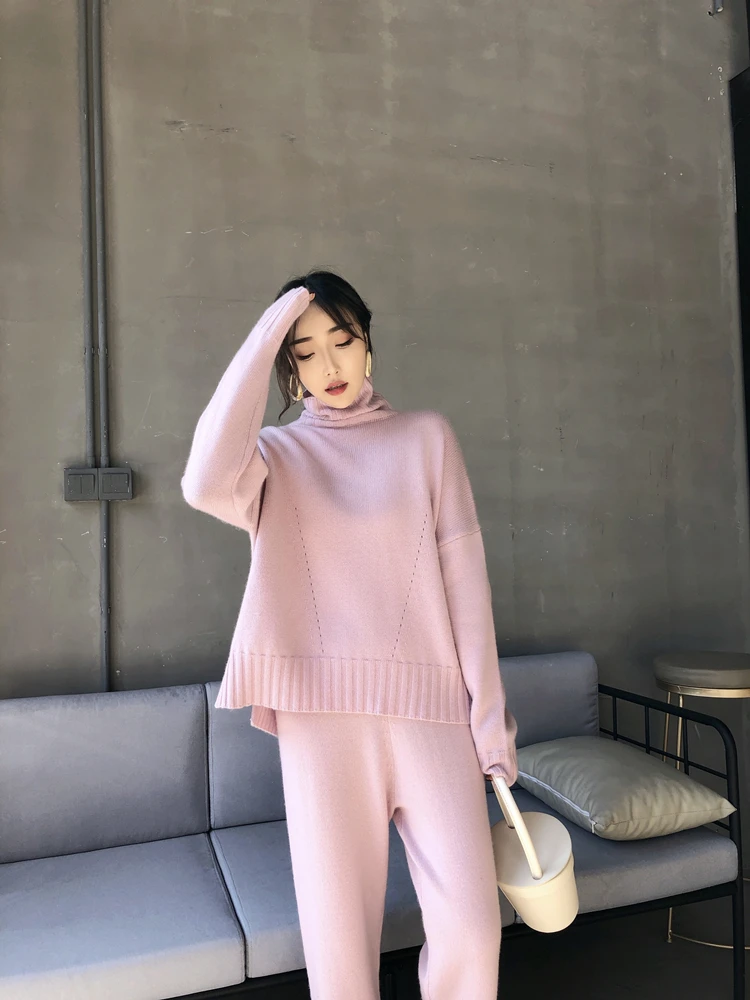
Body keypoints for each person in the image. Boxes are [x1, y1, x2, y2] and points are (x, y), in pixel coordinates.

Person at [181, 267, 518, 1000]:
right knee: (338, 950)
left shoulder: (427, 440)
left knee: (473, 928)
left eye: (344, 340)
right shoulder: (274, 459)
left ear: (369, 343)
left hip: (433, 716)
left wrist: (490, 725)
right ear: (289, 368)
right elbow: (202, 481)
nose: (330, 364)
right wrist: (270, 327)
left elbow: (468, 587)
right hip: (321, 724)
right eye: (305, 352)